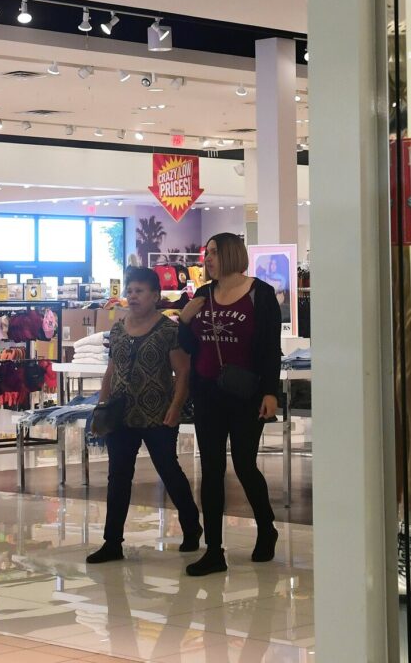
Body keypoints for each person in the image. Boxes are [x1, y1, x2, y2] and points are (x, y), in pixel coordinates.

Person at [178, 234, 282, 576]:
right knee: (211, 469)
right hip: (207, 393)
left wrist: (271, 392)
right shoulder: (202, 294)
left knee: (244, 464)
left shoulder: (260, 294)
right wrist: (185, 321)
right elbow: (188, 346)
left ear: (231, 254)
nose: (207, 258)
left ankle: (266, 527)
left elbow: (270, 348)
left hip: (245, 393)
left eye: (213, 252)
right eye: (206, 253)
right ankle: (214, 550)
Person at [86, 267, 202, 563]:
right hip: (120, 415)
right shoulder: (118, 329)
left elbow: (183, 371)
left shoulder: (167, 331)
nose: (133, 296)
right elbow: (111, 370)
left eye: (139, 291)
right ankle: (112, 542)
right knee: (118, 476)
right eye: (130, 291)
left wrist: (176, 407)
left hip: (158, 414)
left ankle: (191, 526)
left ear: (154, 295)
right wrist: (102, 405)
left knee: (168, 470)